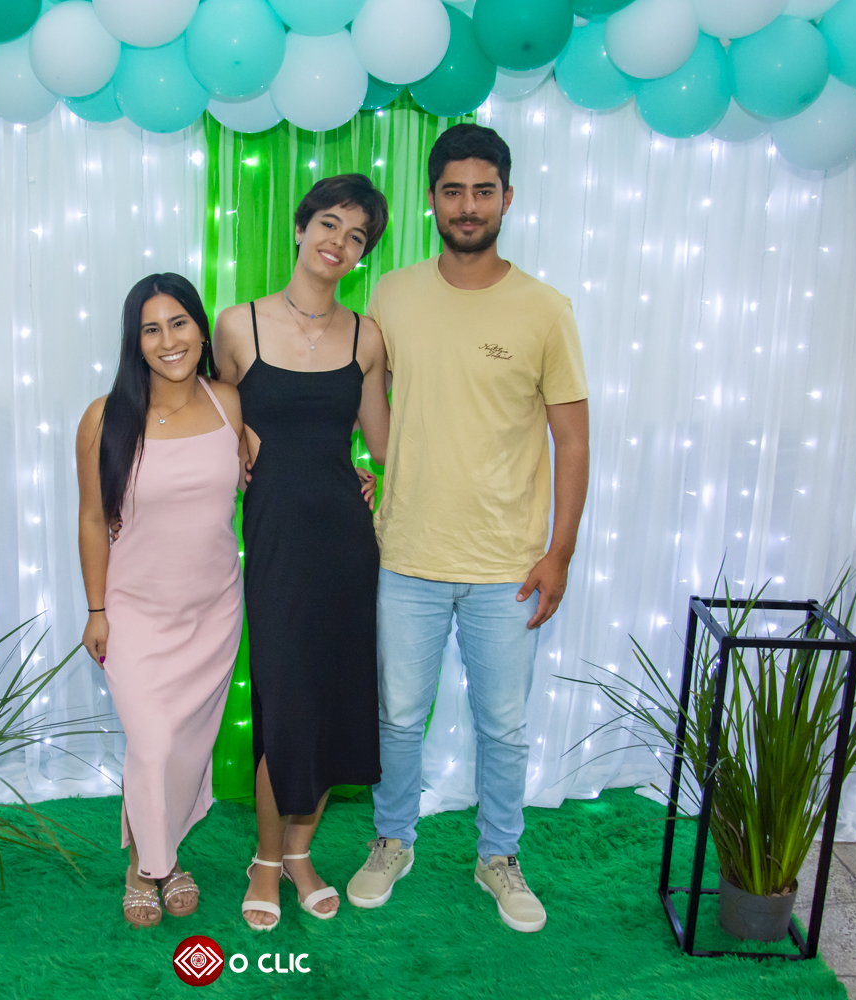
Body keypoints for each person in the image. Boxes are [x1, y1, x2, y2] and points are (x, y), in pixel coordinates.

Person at [345, 124, 591, 934]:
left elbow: (572, 440)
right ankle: (392, 840)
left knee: (504, 725)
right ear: (431, 200)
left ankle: (499, 857)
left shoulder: (545, 309)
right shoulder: (393, 295)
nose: (468, 205)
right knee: (396, 715)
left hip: (507, 565)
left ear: (507, 199)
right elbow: (368, 392)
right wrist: (373, 465)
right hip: (407, 553)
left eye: (484, 190)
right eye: (453, 190)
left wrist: (559, 553)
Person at [212, 174, 392, 931]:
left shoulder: (367, 337)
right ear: (299, 227)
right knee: (285, 701)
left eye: (356, 236)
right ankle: (263, 858)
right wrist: (236, 445)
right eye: (328, 224)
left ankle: (299, 853)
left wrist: (373, 476)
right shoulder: (237, 325)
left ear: (362, 253)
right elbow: (213, 414)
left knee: (332, 701)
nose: (338, 243)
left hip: (345, 544)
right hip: (276, 538)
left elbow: (383, 442)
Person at [75, 272, 247, 928]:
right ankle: (148, 866)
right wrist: (96, 610)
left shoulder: (229, 403)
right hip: (136, 614)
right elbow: (93, 518)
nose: (168, 340)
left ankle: (162, 856)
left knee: (183, 750)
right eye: (151, 328)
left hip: (214, 610)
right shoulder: (104, 418)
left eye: (179, 323)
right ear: (134, 341)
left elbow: (267, 473)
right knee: (151, 744)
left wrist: (352, 479)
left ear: (200, 329)